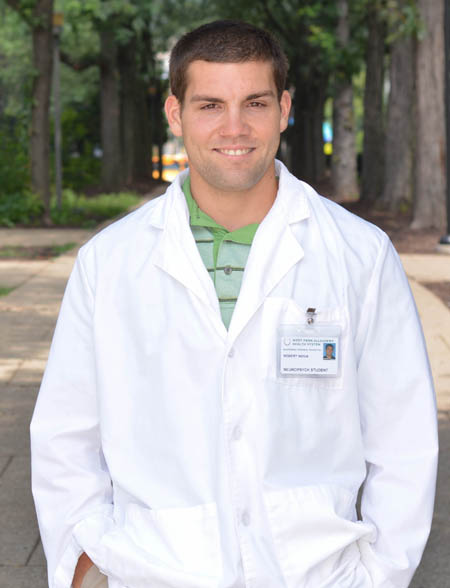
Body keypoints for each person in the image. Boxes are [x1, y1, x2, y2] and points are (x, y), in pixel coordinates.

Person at [31, 20, 438, 588]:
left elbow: (403, 435)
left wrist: (382, 575)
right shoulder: (110, 262)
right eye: (210, 105)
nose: (234, 127)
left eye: (255, 102)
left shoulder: (358, 254)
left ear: (285, 108)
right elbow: (65, 436)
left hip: (317, 575)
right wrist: (81, 564)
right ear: (175, 114)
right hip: (153, 573)